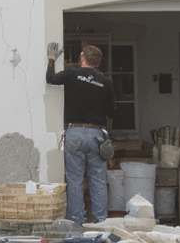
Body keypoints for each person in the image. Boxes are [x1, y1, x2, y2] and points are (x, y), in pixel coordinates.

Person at [46, 43, 117, 224]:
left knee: (75, 179)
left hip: (75, 133)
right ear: (98, 63)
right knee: (98, 181)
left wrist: (52, 59)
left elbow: (51, 79)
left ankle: (77, 221)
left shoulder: (72, 74)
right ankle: (101, 222)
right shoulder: (105, 82)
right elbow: (111, 112)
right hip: (96, 135)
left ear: (81, 57)